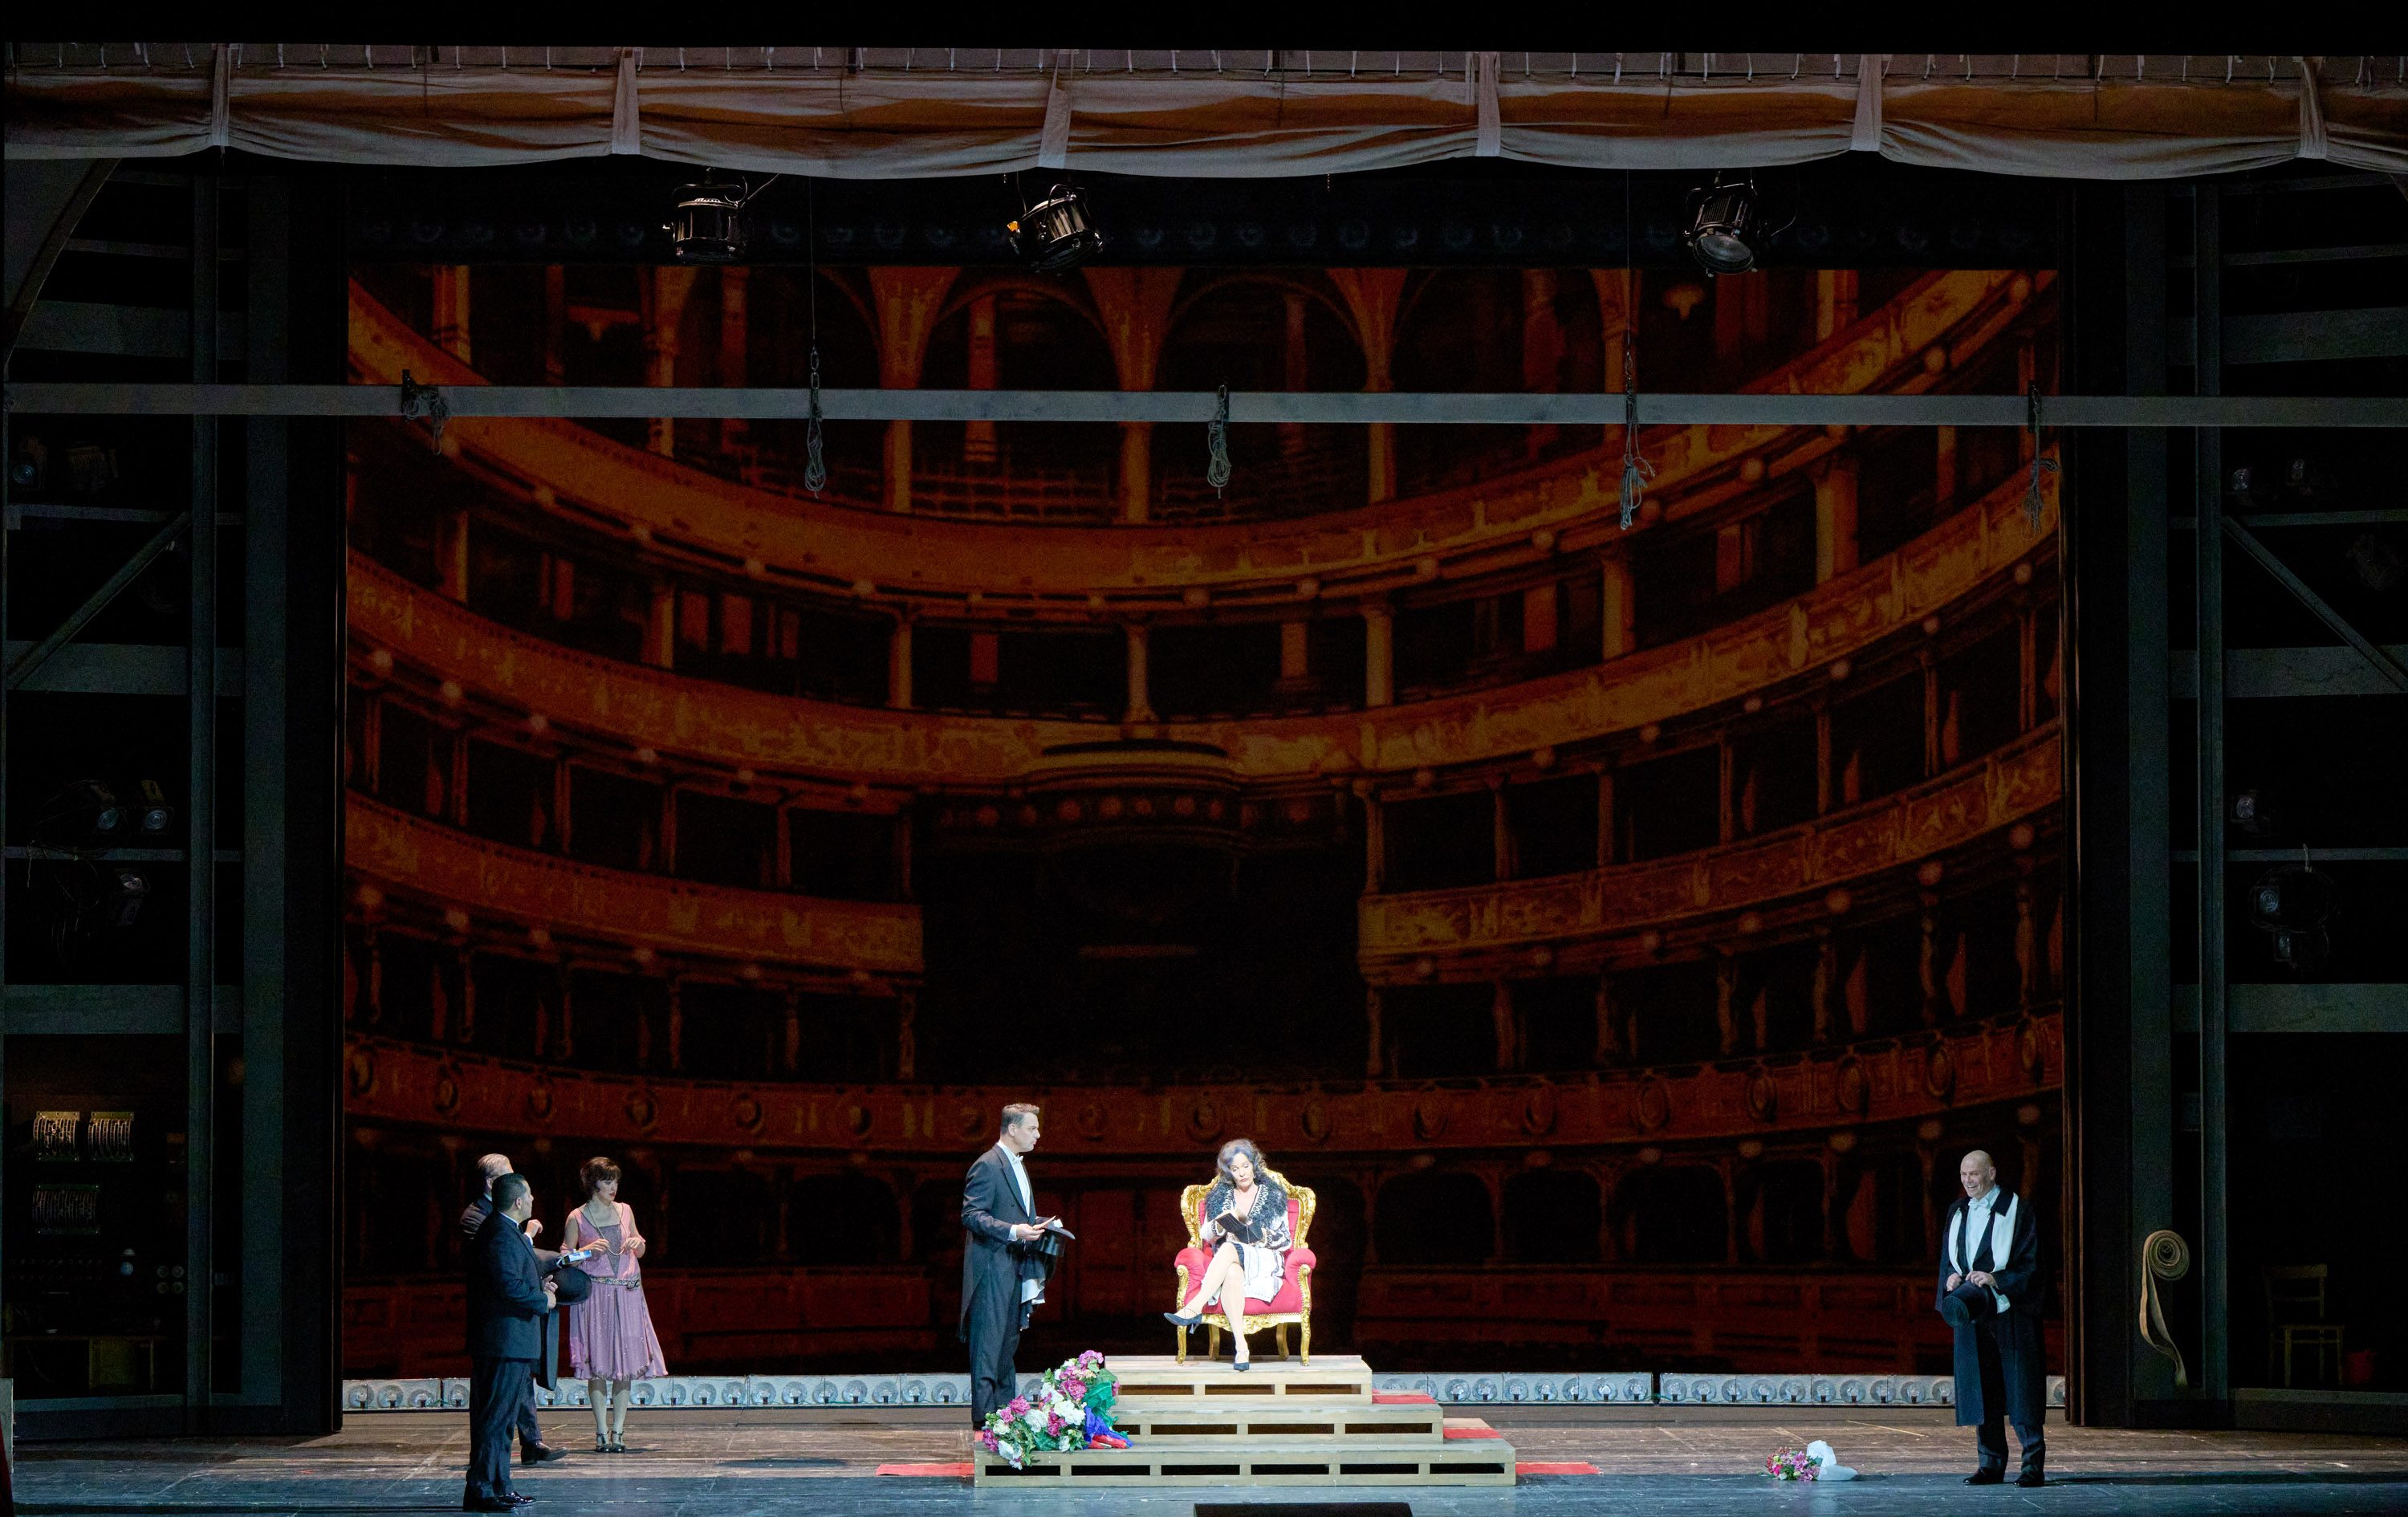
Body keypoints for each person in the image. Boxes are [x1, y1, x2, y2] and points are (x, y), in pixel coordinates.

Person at [1938, 1149, 2047, 1488]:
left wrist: (1996, 1278)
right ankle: (1991, 1464)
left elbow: (2034, 1263)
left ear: (1992, 1173)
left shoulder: (2019, 1209)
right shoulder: (1957, 1211)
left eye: (1974, 1174)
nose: (1968, 1181)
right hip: (1974, 1315)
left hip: (2011, 1310)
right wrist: (1952, 1281)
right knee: (1982, 1389)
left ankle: (2032, 1467)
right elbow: (1949, 1260)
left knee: (2021, 1388)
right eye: (1963, 1175)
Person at [460, 1153, 567, 1469]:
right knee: (495, 1417)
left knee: (511, 1403)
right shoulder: (482, 1221)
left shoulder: (502, 1223)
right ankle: (487, 1484)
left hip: (513, 1332)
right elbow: (505, 1277)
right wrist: (540, 1298)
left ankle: (526, 1449)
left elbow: (518, 1266)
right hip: (499, 1329)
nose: (531, 1197)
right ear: (496, 1185)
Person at [561, 1156, 668, 1452]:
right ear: (593, 1184)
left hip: (627, 1294)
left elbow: (640, 1245)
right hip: (596, 1297)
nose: (613, 1187)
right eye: (607, 1181)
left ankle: (618, 1432)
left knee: (625, 1365)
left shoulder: (625, 1210)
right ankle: (600, 1431)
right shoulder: (577, 1217)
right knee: (598, 1365)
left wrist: (638, 1243)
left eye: (616, 1181)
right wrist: (585, 1251)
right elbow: (564, 1257)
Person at [960, 1103, 1056, 1425]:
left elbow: (1013, 1212)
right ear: (1012, 1130)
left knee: (1006, 1345)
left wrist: (1040, 1225)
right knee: (988, 1345)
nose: (1038, 1134)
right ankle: (984, 1422)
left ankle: (1005, 1418)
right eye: (1032, 1128)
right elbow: (972, 1215)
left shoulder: (1017, 1165)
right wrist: (1014, 1231)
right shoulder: (988, 1165)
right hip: (991, 1267)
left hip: (1013, 1264)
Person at [1161, 1138, 1291, 1371]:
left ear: (1254, 1164)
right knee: (1231, 1271)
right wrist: (1221, 1226)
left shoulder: (1274, 1196)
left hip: (1264, 1260)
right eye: (1235, 1169)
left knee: (1230, 1248)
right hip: (1232, 1261)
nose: (1241, 1173)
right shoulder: (1221, 1197)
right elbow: (1205, 1234)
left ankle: (1195, 1307)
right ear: (1228, 1172)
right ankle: (1242, 1349)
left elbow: (1285, 1240)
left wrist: (1260, 1235)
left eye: (1245, 1166)